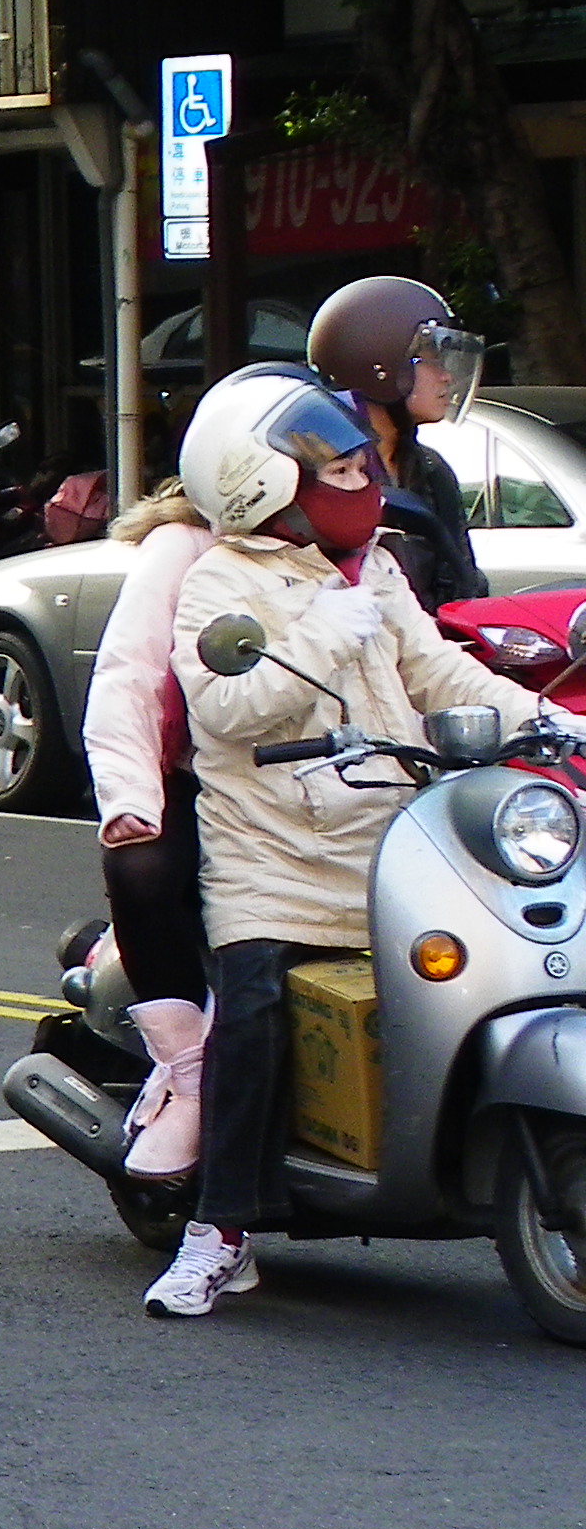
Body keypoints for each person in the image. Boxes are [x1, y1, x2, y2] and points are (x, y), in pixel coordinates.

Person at [156, 366, 541, 1318]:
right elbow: (229, 707)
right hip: (271, 863)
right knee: (253, 1016)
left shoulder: (376, 568)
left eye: (360, 460)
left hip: (388, 839)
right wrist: (320, 633)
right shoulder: (218, 582)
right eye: (337, 466)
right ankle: (219, 1229)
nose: (363, 477)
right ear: (266, 485)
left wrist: (547, 721)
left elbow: (441, 672)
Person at [81, 478, 214, 1178]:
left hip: (345, 789)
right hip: (210, 782)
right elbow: (126, 678)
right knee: (143, 869)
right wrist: (134, 802)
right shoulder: (184, 545)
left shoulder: (373, 541)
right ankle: (190, 1080)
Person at [307, 274, 490, 610]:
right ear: (380, 364)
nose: (447, 376)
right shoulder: (320, 475)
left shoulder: (431, 471)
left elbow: (463, 587)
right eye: (431, 361)